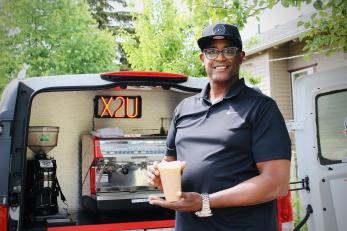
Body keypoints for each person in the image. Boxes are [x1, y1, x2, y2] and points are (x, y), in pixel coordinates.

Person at [148, 23, 291, 231]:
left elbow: (277, 183)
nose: (220, 57)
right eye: (212, 51)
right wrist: (160, 177)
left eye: (229, 50)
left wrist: (205, 201)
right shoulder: (184, 109)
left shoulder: (261, 108)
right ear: (202, 58)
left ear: (241, 56)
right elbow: (170, 165)